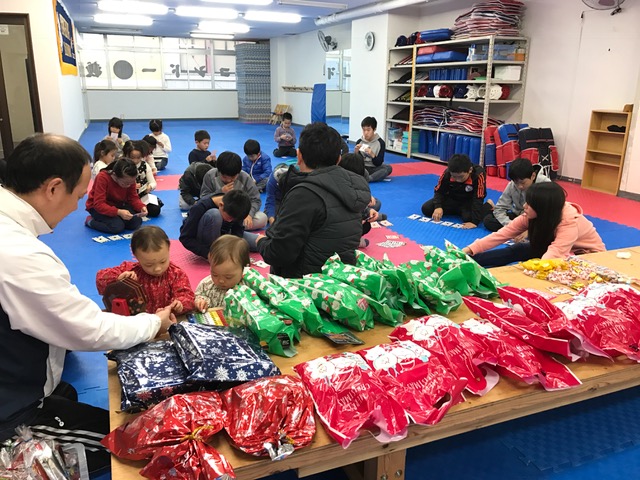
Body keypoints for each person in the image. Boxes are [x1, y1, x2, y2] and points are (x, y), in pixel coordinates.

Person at [0, 133, 175, 474]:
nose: (76, 207)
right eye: (78, 196)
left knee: (66, 391)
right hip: (10, 411)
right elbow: (88, 329)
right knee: (131, 441)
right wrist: (154, 322)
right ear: (53, 188)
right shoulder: (18, 255)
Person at [257, 122, 370, 278]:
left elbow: (278, 254)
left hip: (307, 285)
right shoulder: (355, 187)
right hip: (344, 281)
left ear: (299, 156)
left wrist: (260, 242)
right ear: (338, 159)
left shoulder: (303, 194)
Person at [462, 182, 606, 267]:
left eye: (530, 204)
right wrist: (468, 250)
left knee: (541, 265)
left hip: (588, 258)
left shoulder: (569, 221)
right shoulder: (533, 214)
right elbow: (502, 234)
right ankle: (467, 262)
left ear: (542, 207)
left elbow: (556, 252)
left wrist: (534, 270)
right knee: (518, 249)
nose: (524, 206)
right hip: (557, 250)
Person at [96, 226, 196, 314]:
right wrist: (118, 278)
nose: (157, 269)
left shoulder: (176, 274)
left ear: (168, 250)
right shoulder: (130, 269)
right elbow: (100, 278)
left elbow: (187, 296)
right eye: (149, 264)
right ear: (136, 256)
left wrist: (180, 303)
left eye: (163, 261)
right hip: (135, 322)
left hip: (165, 320)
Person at [179, 189, 257, 259]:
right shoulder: (200, 207)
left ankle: (222, 250)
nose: (230, 221)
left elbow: (237, 231)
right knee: (214, 214)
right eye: (229, 218)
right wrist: (208, 253)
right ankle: (216, 251)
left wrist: (235, 248)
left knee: (258, 242)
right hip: (204, 239)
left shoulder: (236, 207)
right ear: (221, 205)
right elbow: (185, 238)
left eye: (233, 219)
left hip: (224, 234)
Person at [421, 154, 493, 229]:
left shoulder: (478, 174)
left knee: (468, 218)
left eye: (461, 177)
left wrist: (474, 222)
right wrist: (438, 207)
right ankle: (458, 211)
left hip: (468, 201)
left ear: (470, 170)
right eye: (454, 177)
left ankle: (488, 205)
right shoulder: (447, 173)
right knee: (426, 209)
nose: (457, 180)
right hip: (452, 198)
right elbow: (439, 191)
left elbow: (478, 197)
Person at [200, 151, 268, 231]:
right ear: (219, 171)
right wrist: (220, 192)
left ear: (238, 173)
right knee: (212, 215)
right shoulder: (210, 175)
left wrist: (249, 214)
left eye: (233, 177)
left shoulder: (245, 177)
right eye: (224, 177)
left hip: (238, 216)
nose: (228, 180)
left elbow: (255, 200)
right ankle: (229, 229)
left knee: (262, 218)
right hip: (219, 214)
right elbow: (203, 199)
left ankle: (228, 229)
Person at [483, 157, 551, 233]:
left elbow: (550, 215)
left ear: (533, 176)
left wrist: (529, 230)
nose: (520, 186)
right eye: (516, 183)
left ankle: (527, 231)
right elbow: (500, 208)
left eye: (523, 183)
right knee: (488, 220)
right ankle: (520, 231)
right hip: (519, 217)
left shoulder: (546, 186)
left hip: (537, 220)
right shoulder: (512, 184)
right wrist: (512, 225)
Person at [85, 158, 147, 234]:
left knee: (136, 222)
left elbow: (133, 198)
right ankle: (90, 221)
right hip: (97, 207)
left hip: (117, 204)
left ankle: (117, 219)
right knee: (117, 227)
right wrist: (118, 212)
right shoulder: (102, 177)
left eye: (131, 183)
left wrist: (141, 207)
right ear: (114, 175)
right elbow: (99, 204)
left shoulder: (129, 179)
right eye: (125, 183)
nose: (128, 185)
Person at [339, 152, 386, 248]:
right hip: (340, 223)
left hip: (351, 215)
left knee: (376, 203)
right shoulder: (340, 185)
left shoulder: (363, 175)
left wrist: (368, 203)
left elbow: (362, 196)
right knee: (365, 221)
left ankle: (368, 216)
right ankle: (353, 240)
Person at [194, 235, 249, 311]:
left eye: (228, 277)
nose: (221, 280)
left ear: (245, 269)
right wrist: (200, 302)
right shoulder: (206, 284)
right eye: (215, 275)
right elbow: (199, 295)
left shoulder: (247, 288)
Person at [123, 140, 162, 218]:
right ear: (126, 155)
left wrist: (150, 187)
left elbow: (153, 182)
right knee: (129, 212)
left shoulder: (144, 165)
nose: (135, 161)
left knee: (155, 209)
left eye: (138, 158)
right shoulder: (122, 166)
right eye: (132, 158)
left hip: (142, 195)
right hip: (126, 198)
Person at [354, 116, 393, 182]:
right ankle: (364, 177)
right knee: (347, 165)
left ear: (374, 129)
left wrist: (372, 154)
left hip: (374, 168)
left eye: (368, 130)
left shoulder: (380, 143)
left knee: (388, 168)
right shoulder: (359, 142)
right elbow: (358, 163)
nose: (366, 133)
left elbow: (378, 163)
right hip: (363, 168)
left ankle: (369, 179)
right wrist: (356, 153)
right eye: (364, 130)